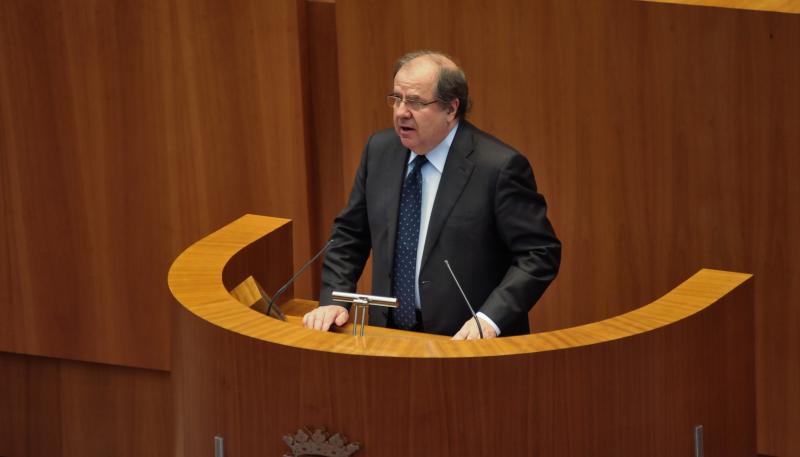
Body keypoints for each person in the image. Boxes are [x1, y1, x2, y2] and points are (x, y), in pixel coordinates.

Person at [303, 50, 561, 339]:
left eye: (415, 102)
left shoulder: (498, 168)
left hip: (467, 342)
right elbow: (350, 234)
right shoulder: (379, 151)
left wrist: (490, 319)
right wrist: (335, 300)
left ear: (451, 109)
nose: (401, 111)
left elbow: (539, 254)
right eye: (396, 99)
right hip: (386, 336)